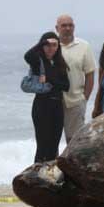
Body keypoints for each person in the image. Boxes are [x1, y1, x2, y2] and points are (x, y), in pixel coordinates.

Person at [23, 31, 70, 163]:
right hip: (42, 106)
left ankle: (48, 178)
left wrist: (48, 79)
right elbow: (27, 55)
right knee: (42, 146)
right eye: (47, 45)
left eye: (54, 45)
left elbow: (66, 86)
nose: (51, 48)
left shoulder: (60, 63)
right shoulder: (38, 62)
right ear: (42, 46)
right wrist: (42, 42)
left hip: (57, 107)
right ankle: (34, 178)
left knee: (53, 146)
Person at [55, 14, 96, 142]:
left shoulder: (84, 46)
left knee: (74, 142)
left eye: (70, 25)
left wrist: (85, 98)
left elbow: (90, 73)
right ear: (57, 28)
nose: (67, 28)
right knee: (52, 140)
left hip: (76, 102)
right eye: (64, 25)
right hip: (54, 102)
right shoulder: (51, 46)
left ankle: (72, 163)